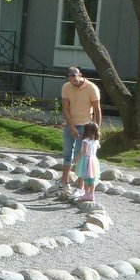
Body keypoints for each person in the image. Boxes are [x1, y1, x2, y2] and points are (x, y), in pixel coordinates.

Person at [60, 66, 102, 194]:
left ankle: (79, 187)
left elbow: (97, 110)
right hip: (70, 124)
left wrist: (96, 132)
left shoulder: (92, 88)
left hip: (85, 126)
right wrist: (71, 127)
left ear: (80, 74)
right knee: (67, 153)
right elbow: (65, 108)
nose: (72, 79)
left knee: (82, 155)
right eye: (69, 76)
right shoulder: (66, 87)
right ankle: (64, 182)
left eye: (74, 75)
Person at [72, 121, 102, 202]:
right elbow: (99, 147)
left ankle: (86, 194)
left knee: (86, 178)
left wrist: (77, 158)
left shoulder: (86, 141)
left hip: (86, 160)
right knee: (92, 179)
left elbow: (84, 151)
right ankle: (91, 194)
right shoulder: (96, 141)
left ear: (86, 131)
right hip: (93, 160)